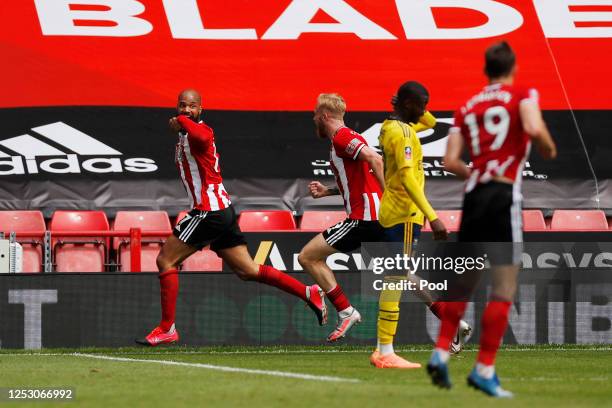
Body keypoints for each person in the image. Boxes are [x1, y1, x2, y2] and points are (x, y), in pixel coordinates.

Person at [136, 89, 326, 346]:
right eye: (182, 106)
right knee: (248, 270)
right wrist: (181, 124)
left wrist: (181, 120)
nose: (186, 110)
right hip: (220, 211)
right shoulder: (185, 135)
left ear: (200, 110)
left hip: (209, 211)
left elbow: (202, 136)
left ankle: (167, 327)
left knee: (165, 260)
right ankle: (308, 292)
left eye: (192, 107)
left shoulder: (202, 130)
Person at [426, 41, 557, 397]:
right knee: (503, 288)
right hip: (502, 196)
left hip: (474, 197)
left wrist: (478, 173)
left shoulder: (467, 106)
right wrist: (547, 145)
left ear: (485, 70)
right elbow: (532, 126)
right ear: (512, 68)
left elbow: (449, 161)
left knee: (464, 283)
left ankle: (440, 351)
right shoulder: (522, 93)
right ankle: (484, 369)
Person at [369, 82, 472, 369]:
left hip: (393, 212)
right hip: (404, 214)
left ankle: (450, 324)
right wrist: (433, 214)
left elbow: (431, 124)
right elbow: (407, 179)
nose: (425, 110)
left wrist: (410, 106)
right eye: (421, 104)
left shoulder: (392, 127)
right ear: (407, 104)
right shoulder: (403, 134)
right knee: (394, 279)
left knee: (398, 276)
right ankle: (385, 351)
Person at [298, 93, 386, 342]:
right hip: (377, 218)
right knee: (400, 272)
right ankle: (451, 320)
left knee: (308, 256)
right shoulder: (352, 139)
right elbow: (363, 179)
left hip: (363, 219)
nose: (314, 118)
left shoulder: (341, 137)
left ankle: (346, 311)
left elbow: (376, 159)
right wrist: (329, 191)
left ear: (324, 116)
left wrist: (390, 197)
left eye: (315, 114)